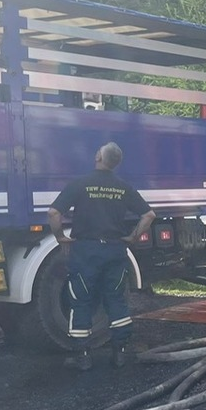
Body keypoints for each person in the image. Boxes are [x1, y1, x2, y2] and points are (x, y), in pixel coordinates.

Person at [48, 142, 155, 370]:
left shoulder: (81, 184)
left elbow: (54, 212)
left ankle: (83, 356)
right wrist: (133, 237)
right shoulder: (123, 187)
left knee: (81, 300)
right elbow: (148, 215)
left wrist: (60, 237)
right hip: (115, 250)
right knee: (116, 300)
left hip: (86, 251)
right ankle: (119, 353)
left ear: (98, 156)